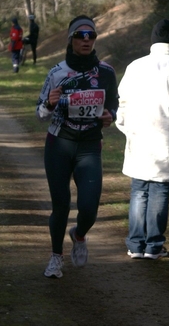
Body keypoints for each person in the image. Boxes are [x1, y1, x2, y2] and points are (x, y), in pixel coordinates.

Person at [36, 15, 119, 278]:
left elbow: (114, 105)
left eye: (91, 35)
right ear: (70, 39)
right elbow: (39, 113)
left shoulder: (106, 72)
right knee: (60, 205)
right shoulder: (57, 73)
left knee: (90, 207)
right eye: (80, 36)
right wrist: (49, 103)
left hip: (89, 146)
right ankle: (56, 257)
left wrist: (110, 116)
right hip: (59, 144)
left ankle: (79, 234)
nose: (86, 40)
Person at [116, 19, 169, 260]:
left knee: (139, 190)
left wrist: (127, 128)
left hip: (140, 136)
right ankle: (154, 246)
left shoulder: (135, 66)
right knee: (160, 191)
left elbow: (121, 103)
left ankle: (135, 244)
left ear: (153, 39)